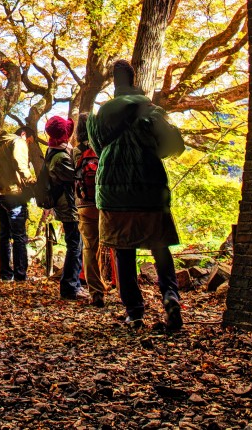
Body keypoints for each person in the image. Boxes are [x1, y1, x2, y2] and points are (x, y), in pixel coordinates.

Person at [88, 59, 182, 333]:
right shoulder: (151, 111)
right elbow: (172, 145)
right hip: (150, 188)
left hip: (113, 192)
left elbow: (96, 147)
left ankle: (134, 312)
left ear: (114, 83)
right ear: (134, 79)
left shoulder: (102, 114)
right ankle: (171, 298)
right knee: (160, 247)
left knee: (123, 251)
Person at [44, 115, 86, 301]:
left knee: (76, 245)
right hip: (68, 206)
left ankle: (74, 284)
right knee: (75, 246)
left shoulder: (55, 150)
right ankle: (69, 287)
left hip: (66, 205)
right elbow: (76, 177)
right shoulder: (60, 157)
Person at [0, 124, 35, 283]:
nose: (28, 144)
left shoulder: (1, 145)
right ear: (24, 134)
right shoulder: (18, 142)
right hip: (13, 193)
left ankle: (5, 275)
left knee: (4, 235)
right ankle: (20, 275)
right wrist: (31, 179)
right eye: (29, 141)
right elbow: (20, 164)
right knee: (19, 235)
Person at [73, 114, 106, 307]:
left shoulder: (76, 151)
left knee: (90, 248)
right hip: (105, 201)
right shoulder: (102, 147)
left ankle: (96, 292)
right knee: (116, 245)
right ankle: (123, 288)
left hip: (84, 203)